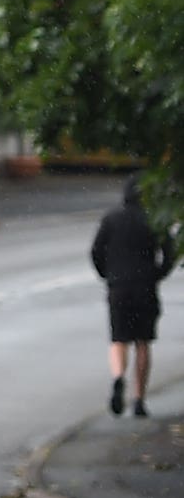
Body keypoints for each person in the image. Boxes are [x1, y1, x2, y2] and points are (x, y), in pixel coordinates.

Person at [93, 178, 174, 418]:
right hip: (145, 287)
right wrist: (156, 275)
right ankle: (139, 399)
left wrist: (108, 274)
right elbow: (169, 254)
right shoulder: (154, 220)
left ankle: (118, 377)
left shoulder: (111, 219)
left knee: (119, 340)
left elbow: (96, 251)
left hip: (118, 287)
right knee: (143, 342)